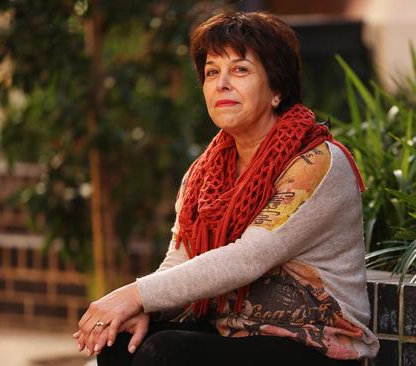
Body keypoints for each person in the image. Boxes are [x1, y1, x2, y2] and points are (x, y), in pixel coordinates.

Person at [73, 11, 379, 366]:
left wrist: (136, 295)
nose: (222, 83)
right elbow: (180, 261)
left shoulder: (317, 162)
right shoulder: (204, 172)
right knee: (121, 344)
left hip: (315, 346)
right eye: (212, 72)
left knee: (165, 353)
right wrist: (147, 308)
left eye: (241, 70)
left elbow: (248, 257)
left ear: (277, 89)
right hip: (233, 335)